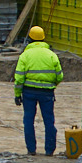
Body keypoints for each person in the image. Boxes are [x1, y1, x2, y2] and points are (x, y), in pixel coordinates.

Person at [14, 26, 64, 156]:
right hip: (47, 93)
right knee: (49, 121)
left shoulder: (25, 55)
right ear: (43, 38)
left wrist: (17, 95)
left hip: (29, 92)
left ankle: (31, 150)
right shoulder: (51, 55)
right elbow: (59, 76)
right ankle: (49, 150)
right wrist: (52, 85)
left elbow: (19, 78)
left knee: (28, 121)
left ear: (29, 39)